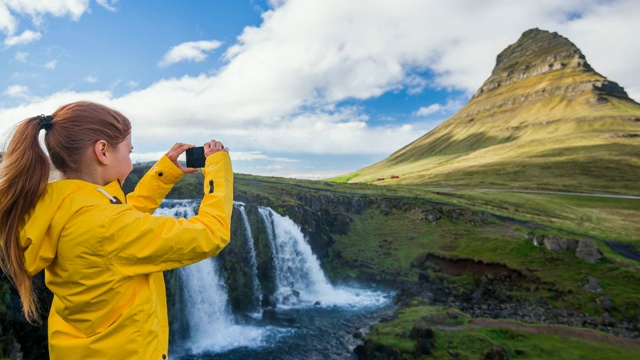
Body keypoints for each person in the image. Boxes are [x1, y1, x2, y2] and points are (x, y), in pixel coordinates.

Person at [0, 101, 233, 359]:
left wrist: (164, 173)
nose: (132, 163)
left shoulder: (62, 207)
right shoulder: (105, 226)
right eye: (129, 152)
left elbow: (121, 218)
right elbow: (212, 232)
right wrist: (218, 166)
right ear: (102, 151)